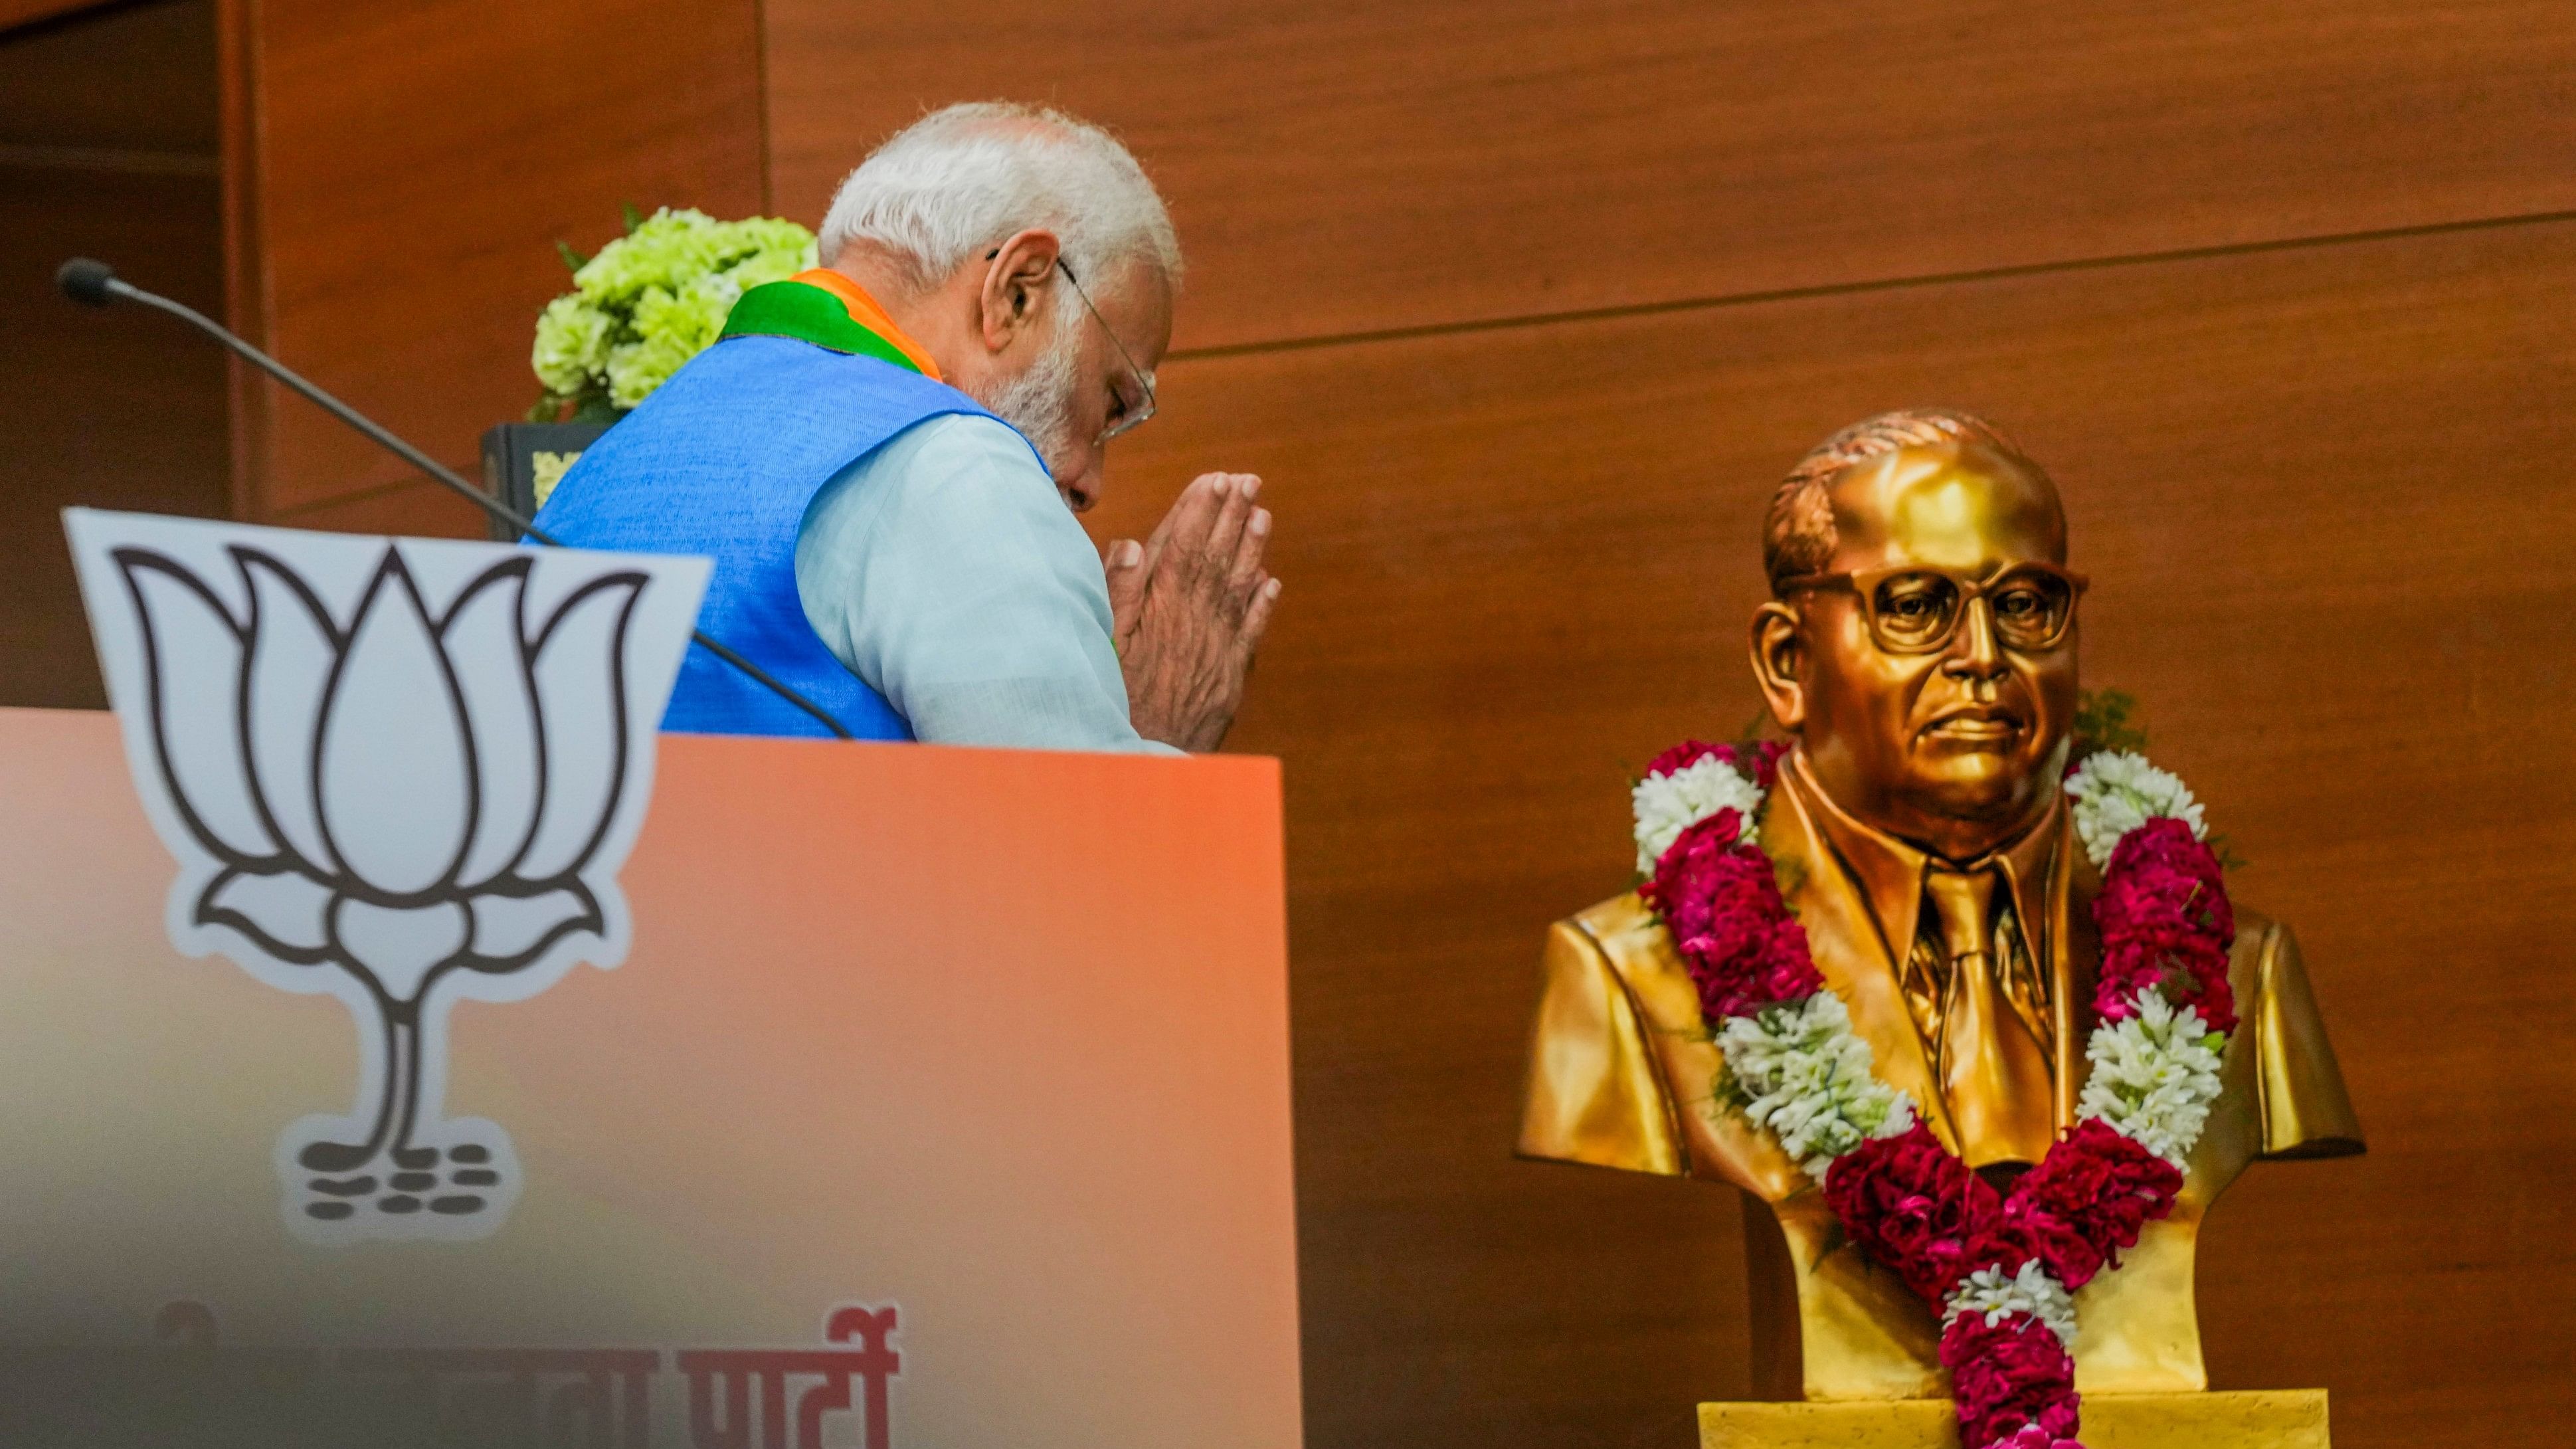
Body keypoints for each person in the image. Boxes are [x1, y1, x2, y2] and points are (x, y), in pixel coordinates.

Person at [1515, 409, 2361, 1399]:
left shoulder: (2234, 974)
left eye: (2025, 605)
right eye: (1915, 604)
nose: (1981, 655)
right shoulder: (1627, 974)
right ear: (1787, 660)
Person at [533, 103, 1277, 752]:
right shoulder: (954, 464)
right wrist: (1157, 728)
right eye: (1111, 400)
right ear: (1016, 291)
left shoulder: (601, 468)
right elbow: (1066, 865)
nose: (1087, 479)